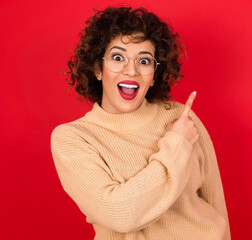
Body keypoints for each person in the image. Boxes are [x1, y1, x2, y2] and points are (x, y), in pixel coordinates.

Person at [51, 6, 231, 240]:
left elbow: (215, 201)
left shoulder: (179, 116)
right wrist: (175, 144)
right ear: (97, 68)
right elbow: (120, 215)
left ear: (154, 75)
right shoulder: (73, 137)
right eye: (118, 58)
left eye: (144, 61)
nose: (131, 70)